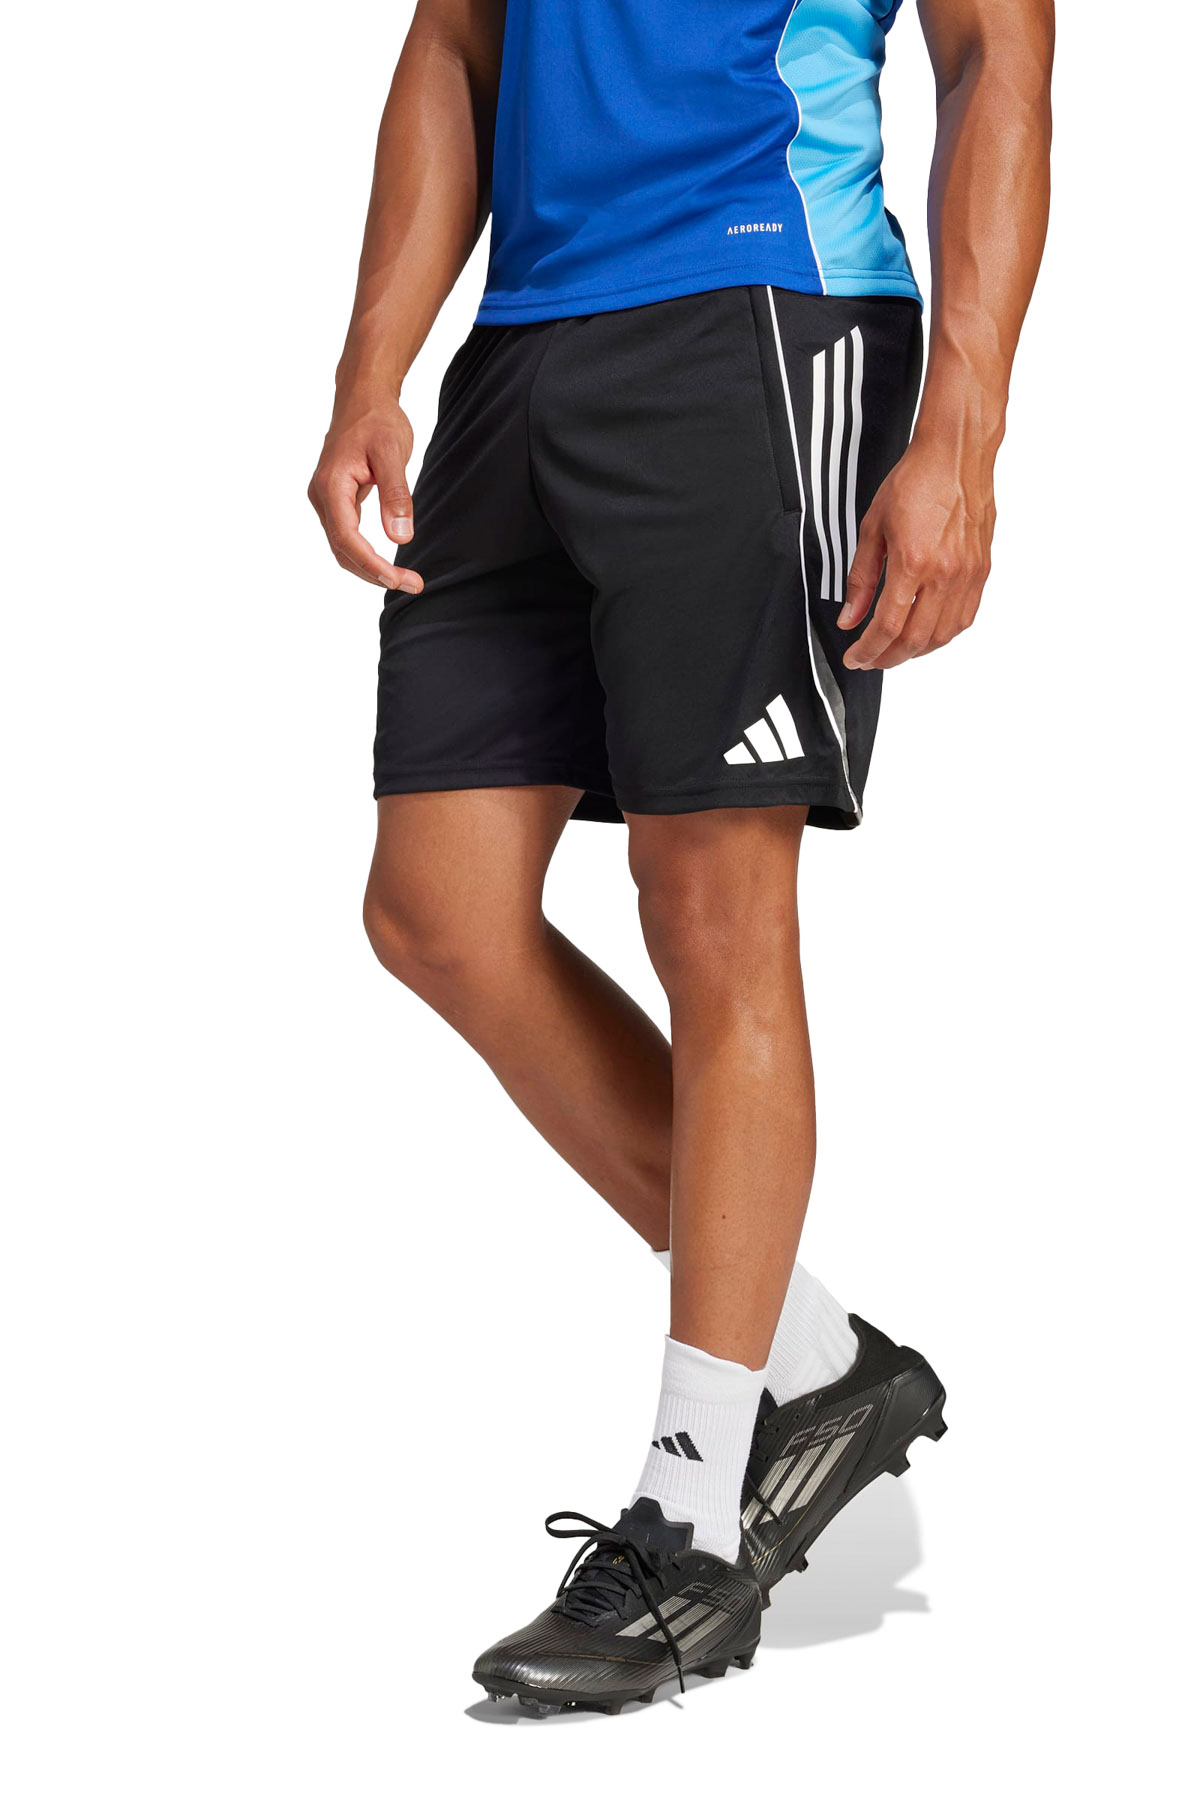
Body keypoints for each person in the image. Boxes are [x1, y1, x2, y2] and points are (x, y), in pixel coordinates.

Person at [308, 0, 1052, 1715]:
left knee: (712, 911)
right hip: (526, 342)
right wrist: (371, 368)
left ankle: (695, 1520)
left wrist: (962, 432)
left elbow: (996, 57)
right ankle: (815, 1363)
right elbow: (456, 46)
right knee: (435, 912)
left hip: (762, 313)